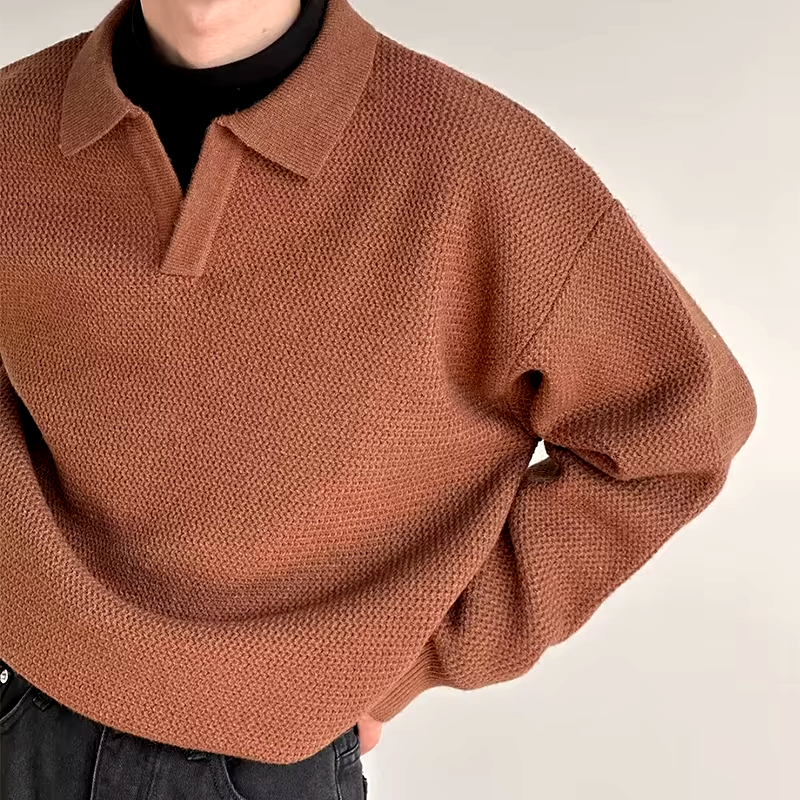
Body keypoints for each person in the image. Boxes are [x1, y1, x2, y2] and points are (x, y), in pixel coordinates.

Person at [0, 0, 757, 797]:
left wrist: (419, 654)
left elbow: (677, 436)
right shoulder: (13, 128)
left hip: (277, 759)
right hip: (28, 712)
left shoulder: (481, 162)